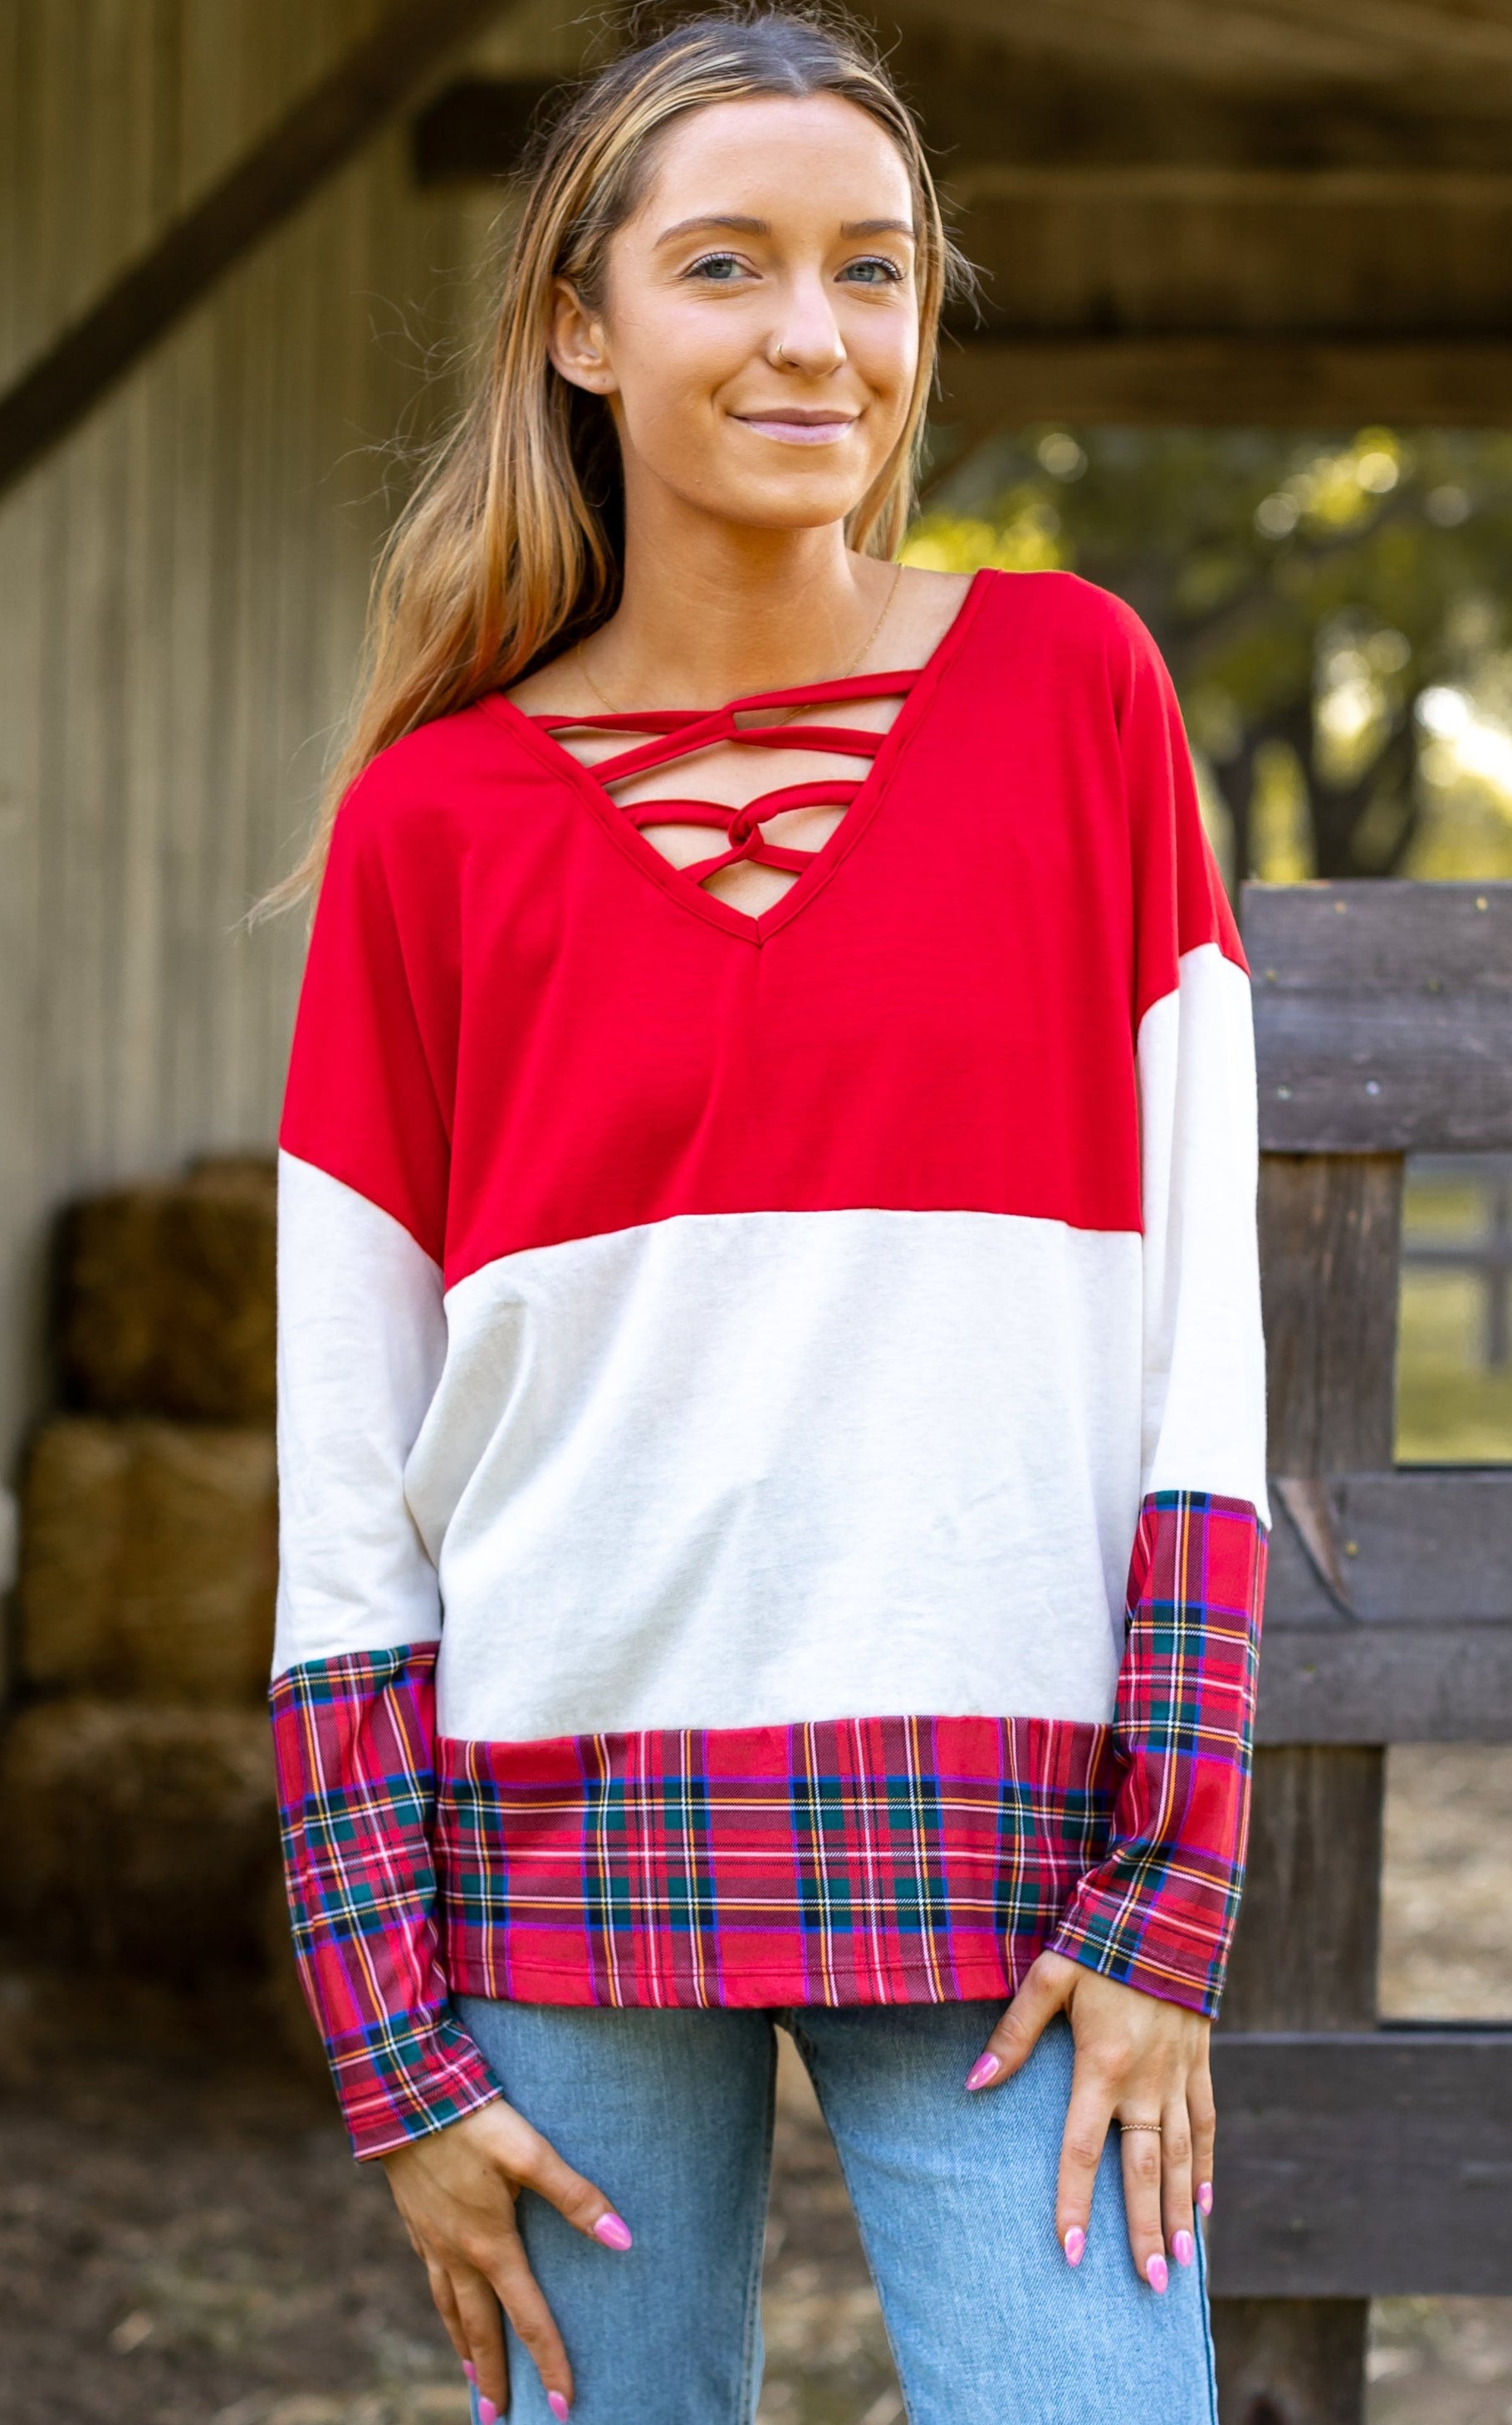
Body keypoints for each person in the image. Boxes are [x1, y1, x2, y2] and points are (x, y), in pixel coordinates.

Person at [267, 9, 1269, 2420]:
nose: (815, 333)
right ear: (581, 331)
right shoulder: (429, 828)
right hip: (553, 1847)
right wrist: (389, 2037)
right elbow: (346, 1470)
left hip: (1016, 1852)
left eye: (872, 268)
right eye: (727, 265)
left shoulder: (1075, 691)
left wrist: (1169, 1888)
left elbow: (1201, 1361)